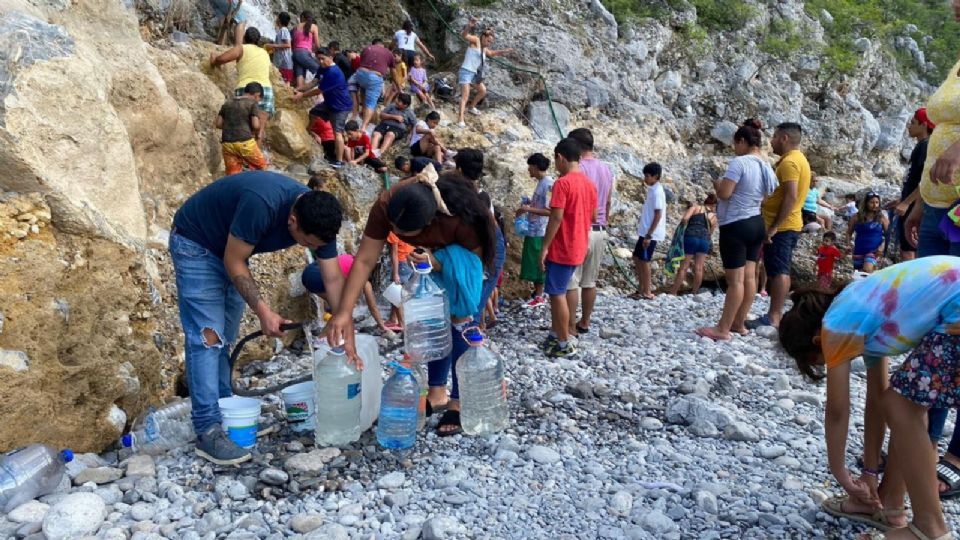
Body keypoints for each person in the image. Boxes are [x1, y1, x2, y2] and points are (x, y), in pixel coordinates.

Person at [779, 257, 960, 540]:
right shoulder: (864, 313)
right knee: (905, 405)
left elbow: (838, 410)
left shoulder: (836, 325)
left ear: (817, 342)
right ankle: (891, 505)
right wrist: (869, 473)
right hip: (953, 305)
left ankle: (929, 528)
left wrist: (840, 473)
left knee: (904, 407)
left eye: (820, 361)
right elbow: (877, 400)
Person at [170, 171, 344, 465]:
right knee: (207, 337)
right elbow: (233, 260)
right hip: (196, 243)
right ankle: (207, 430)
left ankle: (227, 414)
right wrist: (264, 311)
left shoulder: (319, 220)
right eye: (306, 243)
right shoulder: (261, 203)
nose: (312, 249)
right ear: (292, 221)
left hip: (232, 248)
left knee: (224, 337)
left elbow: (333, 277)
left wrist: (340, 317)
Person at [324, 167, 497, 438]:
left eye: (405, 232)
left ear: (430, 223)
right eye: (393, 228)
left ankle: (459, 400)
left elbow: (471, 271)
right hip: (434, 258)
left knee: (461, 322)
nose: (394, 233)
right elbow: (365, 260)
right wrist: (343, 311)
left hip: (473, 259)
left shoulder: (460, 219)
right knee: (434, 323)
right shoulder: (387, 207)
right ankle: (437, 393)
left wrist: (439, 261)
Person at [696, 119, 777, 341]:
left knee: (735, 281)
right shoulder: (766, 165)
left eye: (735, 144)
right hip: (756, 222)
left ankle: (722, 329)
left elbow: (725, 194)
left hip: (736, 224)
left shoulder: (739, 163)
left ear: (742, 141)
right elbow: (768, 194)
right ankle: (739, 323)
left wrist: (718, 185)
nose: (734, 149)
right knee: (750, 276)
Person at [746, 122, 811, 330]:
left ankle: (774, 316)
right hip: (788, 224)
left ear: (784, 138)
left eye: (774, 137)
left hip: (784, 227)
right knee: (776, 269)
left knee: (780, 270)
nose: (771, 141)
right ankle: (775, 313)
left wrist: (774, 227)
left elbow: (791, 196)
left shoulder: (790, 163)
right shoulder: (800, 160)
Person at [538, 138, 598, 358]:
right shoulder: (589, 184)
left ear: (560, 157)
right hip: (580, 245)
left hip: (562, 247)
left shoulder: (562, 183)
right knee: (560, 289)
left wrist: (544, 247)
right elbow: (593, 216)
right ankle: (556, 334)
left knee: (556, 293)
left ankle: (564, 342)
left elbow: (556, 217)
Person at [565, 128, 614, 333]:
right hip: (600, 230)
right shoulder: (607, 169)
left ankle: (569, 326)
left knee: (572, 281)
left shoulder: (578, 168)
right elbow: (609, 201)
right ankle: (584, 322)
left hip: (580, 229)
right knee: (590, 281)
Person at [209, 25, 274, 144]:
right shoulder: (264, 53)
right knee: (259, 131)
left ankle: (240, 158)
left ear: (244, 38)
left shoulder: (241, 48)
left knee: (243, 128)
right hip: (266, 92)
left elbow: (222, 59)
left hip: (247, 90)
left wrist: (214, 60)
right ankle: (254, 161)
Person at [293, 48, 353, 167]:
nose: (320, 61)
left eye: (323, 59)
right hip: (329, 103)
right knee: (313, 113)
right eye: (318, 59)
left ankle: (339, 161)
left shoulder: (333, 72)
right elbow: (314, 82)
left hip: (340, 106)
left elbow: (318, 90)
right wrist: (298, 89)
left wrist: (302, 95)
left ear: (330, 57)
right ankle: (308, 132)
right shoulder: (323, 68)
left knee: (337, 132)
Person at [894, 109, 934, 262]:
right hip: (910, 204)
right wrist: (902, 199)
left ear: (924, 125)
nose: (908, 126)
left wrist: (906, 202)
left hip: (913, 207)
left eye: (912, 123)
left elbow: (925, 180)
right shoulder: (921, 146)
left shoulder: (925, 147)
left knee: (908, 249)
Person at [456, 18, 513, 127]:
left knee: (482, 90)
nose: (489, 43)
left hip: (474, 74)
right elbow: (464, 35)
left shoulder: (484, 49)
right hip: (466, 71)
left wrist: (504, 51)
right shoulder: (476, 41)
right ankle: (460, 119)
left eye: (491, 42)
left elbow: (492, 53)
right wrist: (469, 25)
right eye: (488, 41)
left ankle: (472, 107)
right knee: (465, 96)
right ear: (483, 37)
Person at [517, 152, 555, 307]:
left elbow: (550, 210)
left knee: (536, 261)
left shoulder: (548, 184)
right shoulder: (542, 183)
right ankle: (538, 293)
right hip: (534, 228)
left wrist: (528, 209)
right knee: (533, 260)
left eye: (530, 167)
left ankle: (540, 294)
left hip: (540, 229)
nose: (528, 170)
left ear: (535, 166)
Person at [631, 163, 666, 300]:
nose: (645, 179)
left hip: (650, 233)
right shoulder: (652, 190)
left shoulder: (657, 192)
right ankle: (641, 288)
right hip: (644, 231)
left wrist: (649, 234)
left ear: (655, 177)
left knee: (645, 260)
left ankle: (647, 290)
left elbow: (658, 214)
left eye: (647, 176)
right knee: (637, 257)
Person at [216, 82, 268, 175]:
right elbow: (255, 125)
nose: (258, 102)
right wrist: (257, 131)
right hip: (245, 142)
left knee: (233, 174)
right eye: (259, 100)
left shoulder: (228, 103)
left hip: (227, 143)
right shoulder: (252, 104)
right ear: (257, 95)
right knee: (262, 167)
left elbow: (219, 124)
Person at [669, 194, 717, 295]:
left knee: (684, 267)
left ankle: (673, 292)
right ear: (713, 205)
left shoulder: (695, 207)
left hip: (691, 237)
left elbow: (685, 219)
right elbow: (710, 233)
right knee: (699, 268)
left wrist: (683, 229)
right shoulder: (714, 217)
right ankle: (694, 293)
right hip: (704, 241)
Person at [355, 39, 396, 133]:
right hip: (374, 77)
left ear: (373, 44)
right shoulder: (388, 53)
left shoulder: (367, 49)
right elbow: (393, 72)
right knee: (371, 103)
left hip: (360, 75)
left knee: (364, 92)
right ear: (383, 45)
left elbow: (361, 63)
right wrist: (397, 85)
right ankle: (363, 127)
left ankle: (360, 114)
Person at [847, 192, 889, 273]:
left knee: (867, 271)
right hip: (859, 250)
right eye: (872, 202)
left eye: (877, 202)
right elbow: (849, 233)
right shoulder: (856, 217)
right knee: (859, 275)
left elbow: (888, 235)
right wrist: (848, 245)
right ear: (866, 203)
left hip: (874, 251)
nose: (875, 205)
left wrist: (882, 246)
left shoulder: (882, 218)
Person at [386, 231, 414, 331]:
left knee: (397, 294)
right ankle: (392, 319)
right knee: (397, 291)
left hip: (401, 263)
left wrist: (395, 273)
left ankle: (402, 323)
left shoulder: (393, 232)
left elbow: (394, 254)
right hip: (411, 261)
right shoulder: (407, 225)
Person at [290, 11, 321, 88]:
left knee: (300, 79)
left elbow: (292, 43)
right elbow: (317, 45)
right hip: (304, 53)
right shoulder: (313, 26)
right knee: (321, 70)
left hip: (295, 54)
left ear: (303, 17)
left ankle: (299, 94)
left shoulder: (295, 27)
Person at [265, 12, 293, 85]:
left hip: (285, 63)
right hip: (282, 62)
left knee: (286, 84)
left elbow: (288, 45)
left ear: (279, 20)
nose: (275, 19)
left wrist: (273, 46)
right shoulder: (281, 31)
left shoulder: (284, 30)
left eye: (277, 18)